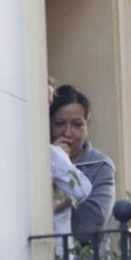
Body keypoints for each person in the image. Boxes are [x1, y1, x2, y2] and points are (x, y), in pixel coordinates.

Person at [51, 84, 115, 235]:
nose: (67, 133)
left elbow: (92, 220)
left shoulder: (101, 165)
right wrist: (54, 159)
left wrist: (59, 206)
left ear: (88, 124)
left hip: (85, 257)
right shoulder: (40, 160)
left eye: (77, 125)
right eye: (59, 124)